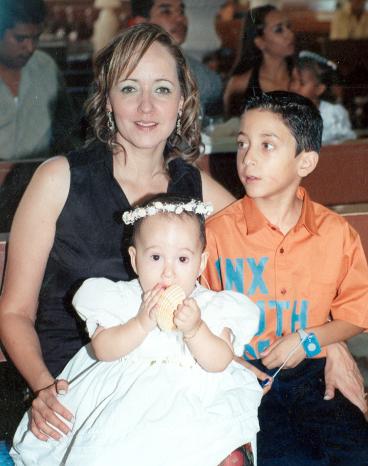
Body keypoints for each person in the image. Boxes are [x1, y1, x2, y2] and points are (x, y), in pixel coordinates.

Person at [0, 23, 235, 445]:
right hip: (75, 383)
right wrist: (43, 388)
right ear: (107, 100)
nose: (146, 107)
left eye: (162, 89)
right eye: (129, 88)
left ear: (183, 101)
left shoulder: (196, 188)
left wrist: (329, 343)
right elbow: (14, 311)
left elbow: (278, 251)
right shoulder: (58, 179)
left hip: (168, 386)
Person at [203, 91, 368, 465]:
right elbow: (201, 313)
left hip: (312, 374)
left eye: (267, 145)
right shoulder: (217, 234)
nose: (249, 157)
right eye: (243, 144)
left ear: (305, 161)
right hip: (244, 378)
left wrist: (307, 340)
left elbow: (354, 315)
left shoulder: (336, 233)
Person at [11, 193, 262, 466]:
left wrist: (196, 329)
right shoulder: (122, 299)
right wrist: (140, 323)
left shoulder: (211, 307)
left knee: (208, 449)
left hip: (194, 404)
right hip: (127, 406)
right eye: (155, 257)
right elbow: (103, 349)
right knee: (107, 453)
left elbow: (220, 361)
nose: (168, 272)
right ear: (134, 260)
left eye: (182, 259)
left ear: (201, 263)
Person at [0, 0, 78, 161]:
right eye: (20, 38)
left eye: (35, 38)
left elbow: (67, 130)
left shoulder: (46, 67)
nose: (30, 48)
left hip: (40, 176)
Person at [129, 0, 224, 120]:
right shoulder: (122, 70)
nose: (180, 18)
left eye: (182, 11)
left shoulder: (202, 76)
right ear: (141, 22)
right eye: (166, 11)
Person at [223, 5, 295, 117]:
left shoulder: (303, 79)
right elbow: (227, 129)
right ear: (260, 42)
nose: (290, 35)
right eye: (279, 30)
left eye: (289, 27)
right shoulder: (239, 84)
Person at [290, 50, 356, 145]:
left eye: (301, 83)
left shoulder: (333, 113)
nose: (294, 87)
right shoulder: (287, 113)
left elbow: (346, 143)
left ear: (319, 89)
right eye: (292, 80)